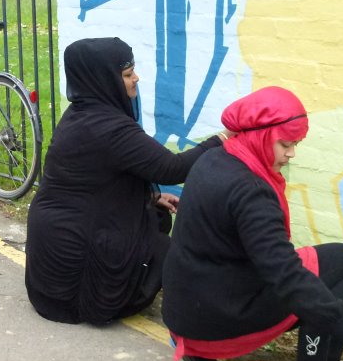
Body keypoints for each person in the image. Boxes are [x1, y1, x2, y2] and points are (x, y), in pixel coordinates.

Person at [161, 86, 343, 361]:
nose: (291, 154)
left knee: (308, 265)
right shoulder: (251, 191)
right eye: (286, 144)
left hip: (185, 315)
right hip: (213, 320)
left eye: (295, 145)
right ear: (260, 135)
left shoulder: (217, 158)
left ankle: (199, 351)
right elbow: (288, 278)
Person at [24, 37, 226, 325]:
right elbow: (172, 169)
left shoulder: (79, 115)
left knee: (155, 215)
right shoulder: (109, 127)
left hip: (51, 265)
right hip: (74, 276)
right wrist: (221, 140)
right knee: (167, 250)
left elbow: (92, 182)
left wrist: (153, 197)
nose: (136, 78)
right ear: (105, 79)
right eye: (128, 74)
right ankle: (196, 321)